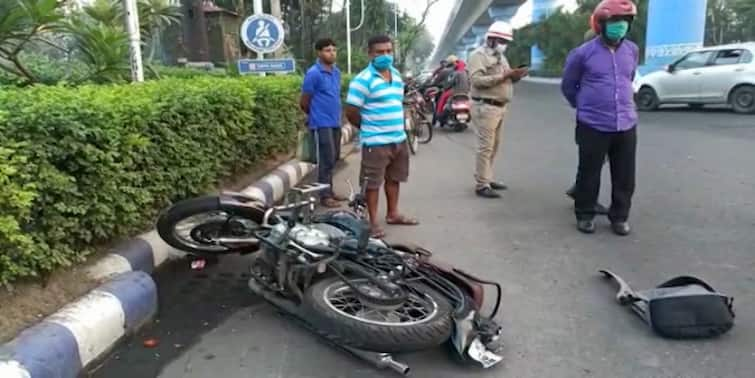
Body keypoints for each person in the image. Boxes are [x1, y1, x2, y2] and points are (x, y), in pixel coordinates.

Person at [561, 0, 639, 236]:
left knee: (625, 175)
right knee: (589, 172)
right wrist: (584, 106)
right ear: (601, 24)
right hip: (592, 124)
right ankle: (585, 214)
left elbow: (629, 78)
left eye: (625, 22)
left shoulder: (632, 50)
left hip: (625, 123)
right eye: (615, 22)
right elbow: (568, 86)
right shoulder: (582, 54)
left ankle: (619, 216)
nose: (620, 27)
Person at [345, 35, 418, 238]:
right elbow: (351, 111)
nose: (385, 55)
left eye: (388, 51)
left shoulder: (396, 75)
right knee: (373, 183)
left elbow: (397, 103)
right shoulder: (363, 80)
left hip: (398, 139)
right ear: (370, 54)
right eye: (379, 52)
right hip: (375, 142)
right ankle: (372, 222)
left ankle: (393, 214)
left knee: (394, 179)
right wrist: (369, 127)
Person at [468, 21, 528, 198]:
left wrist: (515, 75)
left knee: (494, 146)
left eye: (506, 41)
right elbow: (476, 81)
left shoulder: (502, 58)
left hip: (499, 107)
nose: (504, 45)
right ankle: (481, 184)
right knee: (485, 147)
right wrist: (504, 76)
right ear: (491, 39)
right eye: (502, 40)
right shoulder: (477, 55)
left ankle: (487, 177)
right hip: (485, 106)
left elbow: (506, 78)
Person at [300, 38, 347, 208]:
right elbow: (305, 101)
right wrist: (314, 116)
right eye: (328, 50)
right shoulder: (313, 73)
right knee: (326, 160)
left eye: (334, 50)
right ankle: (325, 196)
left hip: (335, 122)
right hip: (321, 123)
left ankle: (330, 190)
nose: (332, 53)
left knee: (334, 158)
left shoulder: (336, 72)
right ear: (319, 52)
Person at [435, 59, 470, 125]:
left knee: (443, 97)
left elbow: (449, 83)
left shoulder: (456, 73)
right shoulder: (466, 73)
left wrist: (445, 87)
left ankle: (439, 113)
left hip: (455, 91)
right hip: (465, 92)